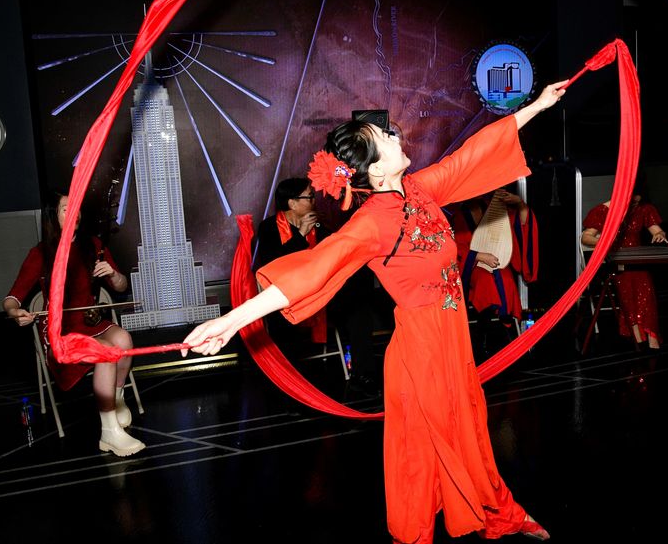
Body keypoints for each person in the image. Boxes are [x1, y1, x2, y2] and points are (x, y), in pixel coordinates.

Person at [182, 81, 569, 543]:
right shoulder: (370, 223)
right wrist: (231, 321)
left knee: (469, 431)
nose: (394, 135)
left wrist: (538, 106)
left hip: (451, 341)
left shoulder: (421, 189)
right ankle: (423, 531)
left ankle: (499, 512)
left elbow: (473, 154)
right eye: (383, 139)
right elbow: (313, 270)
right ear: (375, 171)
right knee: (425, 450)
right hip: (421, 353)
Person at [3, 190, 144, 457]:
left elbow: (122, 286)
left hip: (89, 322)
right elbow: (11, 298)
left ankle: (115, 399)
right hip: (59, 329)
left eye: (76, 207)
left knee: (123, 339)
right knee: (104, 352)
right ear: (52, 217)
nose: (75, 213)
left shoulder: (92, 245)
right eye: (66, 209)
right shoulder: (42, 253)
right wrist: (15, 313)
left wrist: (113, 275)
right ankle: (109, 432)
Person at [255, 177, 381, 396]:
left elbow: (335, 254)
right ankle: (291, 388)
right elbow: (274, 267)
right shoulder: (268, 228)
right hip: (286, 298)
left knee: (358, 307)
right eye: (310, 197)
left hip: (320, 294)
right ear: (292, 203)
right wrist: (301, 235)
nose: (314, 201)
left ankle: (364, 375)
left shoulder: (318, 224)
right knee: (282, 322)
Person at [580, 177, 668, 350]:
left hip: (637, 260)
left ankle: (650, 337)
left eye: (637, 202)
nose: (635, 205)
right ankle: (639, 337)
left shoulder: (643, 209)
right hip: (617, 260)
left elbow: (656, 229)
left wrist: (660, 234)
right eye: (632, 202)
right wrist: (605, 242)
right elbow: (586, 237)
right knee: (627, 286)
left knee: (646, 289)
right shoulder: (603, 210)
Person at [450, 186, 538, 359]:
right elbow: (452, 246)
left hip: (497, 261)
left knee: (505, 279)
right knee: (485, 281)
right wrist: (479, 256)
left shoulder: (494, 207)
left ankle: (506, 326)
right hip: (471, 266)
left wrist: (519, 204)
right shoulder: (457, 214)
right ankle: (484, 333)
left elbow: (522, 223)